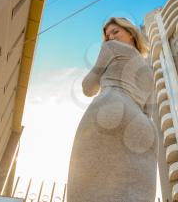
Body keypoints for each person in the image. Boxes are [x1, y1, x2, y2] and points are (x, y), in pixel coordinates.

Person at [67, 17, 159, 202]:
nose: (110, 38)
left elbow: (88, 87)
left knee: (89, 187)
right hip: (143, 127)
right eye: (108, 35)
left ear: (131, 33)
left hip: (111, 107)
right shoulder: (149, 70)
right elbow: (148, 111)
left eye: (115, 32)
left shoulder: (111, 48)